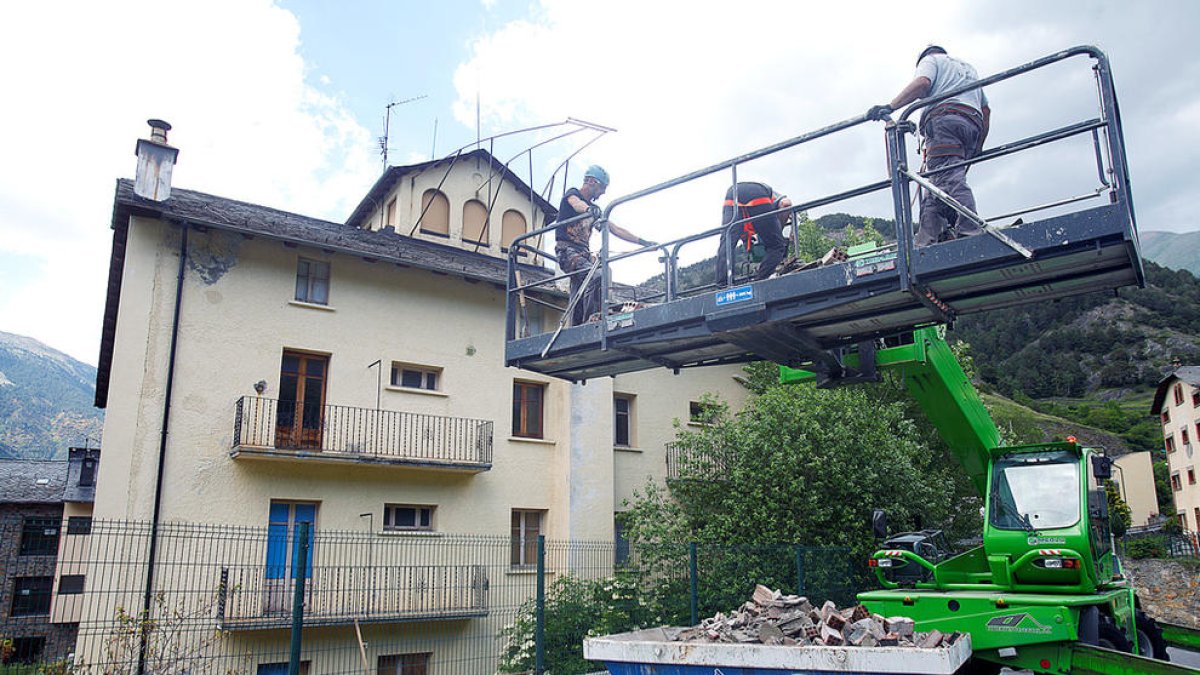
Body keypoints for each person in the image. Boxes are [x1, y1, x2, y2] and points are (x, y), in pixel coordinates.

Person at [868, 45, 991, 247]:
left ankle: (970, 230)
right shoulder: (968, 69)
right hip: (972, 125)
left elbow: (923, 83)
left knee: (947, 178)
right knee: (935, 184)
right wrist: (978, 147)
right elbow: (986, 111)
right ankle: (925, 241)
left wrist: (890, 107)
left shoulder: (932, 61)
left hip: (945, 120)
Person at [555, 165, 655, 325]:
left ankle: (576, 326)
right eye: (603, 187)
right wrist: (589, 209)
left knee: (580, 292)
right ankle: (591, 322)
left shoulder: (595, 210)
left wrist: (643, 242)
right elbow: (575, 204)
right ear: (592, 182)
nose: (603, 192)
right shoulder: (573, 194)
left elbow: (615, 229)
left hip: (583, 254)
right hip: (567, 251)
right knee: (596, 277)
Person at [715, 182, 793, 288]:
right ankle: (760, 281)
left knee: (727, 244)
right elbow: (786, 203)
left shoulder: (745, 229)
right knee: (777, 246)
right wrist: (779, 230)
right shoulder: (773, 194)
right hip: (758, 193)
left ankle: (723, 284)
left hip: (732, 195)